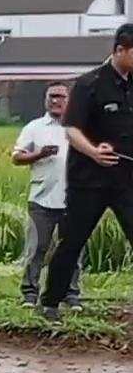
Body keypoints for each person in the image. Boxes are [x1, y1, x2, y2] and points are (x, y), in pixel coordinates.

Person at [40, 25, 133, 322]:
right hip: (88, 181)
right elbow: (71, 130)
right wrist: (93, 152)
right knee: (72, 241)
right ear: (120, 50)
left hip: (126, 180)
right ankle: (51, 302)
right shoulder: (88, 83)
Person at [12, 83, 82, 309]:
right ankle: (30, 294)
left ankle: (71, 295)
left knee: (73, 249)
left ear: (69, 100)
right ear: (45, 99)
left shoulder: (79, 127)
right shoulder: (35, 127)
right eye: (51, 97)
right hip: (41, 199)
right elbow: (16, 157)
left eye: (60, 97)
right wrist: (39, 154)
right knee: (37, 248)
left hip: (73, 200)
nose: (55, 101)